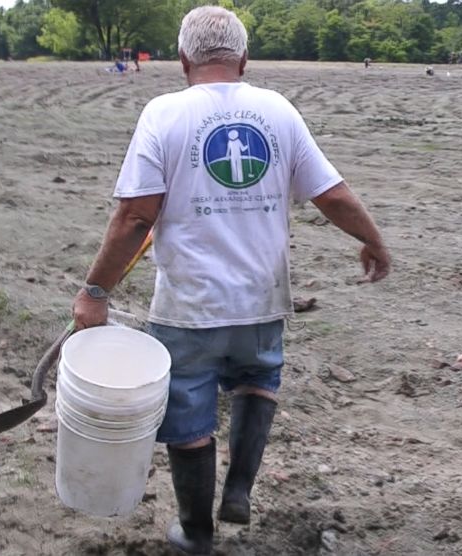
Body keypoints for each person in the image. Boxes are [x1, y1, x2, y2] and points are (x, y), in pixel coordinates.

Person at [71, 6, 390, 555]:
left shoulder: (163, 114)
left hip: (189, 306)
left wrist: (95, 292)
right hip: (263, 300)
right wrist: (374, 240)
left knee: (188, 407)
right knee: (258, 379)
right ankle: (238, 490)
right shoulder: (278, 111)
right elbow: (330, 194)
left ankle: (196, 532)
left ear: (182, 60)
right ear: (243, 59)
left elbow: (135, 218)